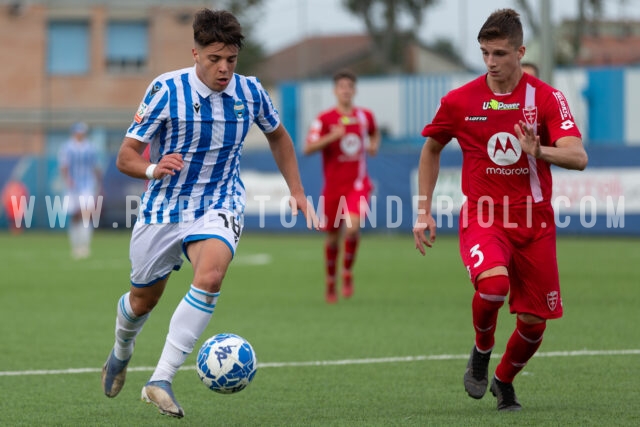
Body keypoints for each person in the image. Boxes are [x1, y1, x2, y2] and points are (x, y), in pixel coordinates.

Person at [101, 9, 317, 419]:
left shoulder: (250, 92)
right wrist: (153, 168)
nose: (224, 68)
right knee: (143, 300)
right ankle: (121, 349)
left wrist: (297, 191)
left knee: (212, 274)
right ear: (195, 53)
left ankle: (160, 379)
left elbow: (278, 135)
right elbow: (125, 156)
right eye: (215, 59)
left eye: (231, 60)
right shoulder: (166, 89)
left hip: (219, 203)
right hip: (163, 208)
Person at [412, 9, 587, 412]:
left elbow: (578, 156)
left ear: (521, 52)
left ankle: (504, 381)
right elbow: (432, 148)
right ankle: (481, 349)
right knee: (492, 287)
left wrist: (538, 150)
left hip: (534, 222)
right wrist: (423, 211)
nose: (490, 62)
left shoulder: (545, 98)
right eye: (485, 53)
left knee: (533, 324)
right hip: (483, 215)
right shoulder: (460, 101)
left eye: (500, 54)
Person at [304, 69, 380, 303]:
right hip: (333, 188)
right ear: (335, 91)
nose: (346, 91)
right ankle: (330, 281)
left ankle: (347, 272)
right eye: (341, 87)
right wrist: (331, 137)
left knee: (353, 227)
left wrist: (374, 145)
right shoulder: (325, 119)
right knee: (333, 238)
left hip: (358, 184)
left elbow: (375, 134)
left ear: (354, 90)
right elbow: (308, 148)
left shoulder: (365, 116)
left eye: (349, 86)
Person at [58, 122, 102, 259]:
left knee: (86, 214)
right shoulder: (67, 147)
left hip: (87, 185)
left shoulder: (91, 147)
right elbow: (64, 166)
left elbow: (95, 166)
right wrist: (67, 180)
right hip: (72, 187)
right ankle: (75, 245)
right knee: (74, 216)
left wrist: (99, 183)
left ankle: (84, 246)